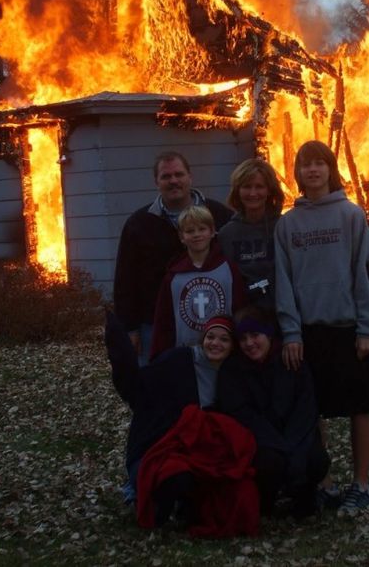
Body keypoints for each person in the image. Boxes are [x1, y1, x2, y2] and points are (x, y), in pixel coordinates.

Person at [274, 139, 369, 515]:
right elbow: (283, 282)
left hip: (348, 327)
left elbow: (364, 274)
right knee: (311, 410)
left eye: (319, 163)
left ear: (330, 169)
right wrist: (291, 332)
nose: (312, 171)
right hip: (308, 332)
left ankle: (361, 483)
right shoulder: (287, 224)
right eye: (305, 165)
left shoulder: (351, 215)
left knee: (360, 406)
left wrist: (367, 327)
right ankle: (324, 482)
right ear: (298, 173)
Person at [105, 310, 259, 537]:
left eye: (223, 339)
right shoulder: (178, 361)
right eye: (211, 337)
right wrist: (121, 354)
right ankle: (155, 501)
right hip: (166, 442)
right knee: (172, 474)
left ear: (232, 345)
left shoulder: (235, 374)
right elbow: (139, 389)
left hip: (206, 448)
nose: (215, 343)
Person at [113, 151, 232, 366]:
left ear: (190, 176)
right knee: (159, 384)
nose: (174, 181)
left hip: (211, 321)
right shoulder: (140, 224)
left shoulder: (219, 214)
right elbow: (125, 279)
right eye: (166, 176)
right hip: (155, 323)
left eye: (179, 174)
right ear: (156, 182)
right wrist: (130, 328)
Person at [217, 306, 330, 519]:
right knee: (269, 463)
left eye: (255, 335)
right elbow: (242, 415)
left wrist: (293, 445)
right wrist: (280, 447)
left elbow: (306, 408)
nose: (249, 343)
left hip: (294, 435)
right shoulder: (232, 370)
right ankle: (265, 498)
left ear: (268, 334)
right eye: (243, 338)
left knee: (316, 460)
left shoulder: (292, 361)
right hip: (261, 439)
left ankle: (303, 496)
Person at [150, 205, 247, 359]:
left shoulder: (228, 269)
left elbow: (240, 308)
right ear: (181, 237)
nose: (196, 235)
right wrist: (160, 356)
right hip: (186, 355)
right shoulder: (174, 277)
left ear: (212, 231)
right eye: (190, 231)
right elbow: (164, 320)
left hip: (225, 354)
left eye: (202, 229)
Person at [218, 158, 284, 312]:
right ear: (237, 191)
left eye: (259, 187)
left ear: (269, 190)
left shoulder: (283, 227)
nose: (253, 193)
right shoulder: (226, 235)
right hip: (243, 316)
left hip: (280, 313)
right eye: (247, 187)